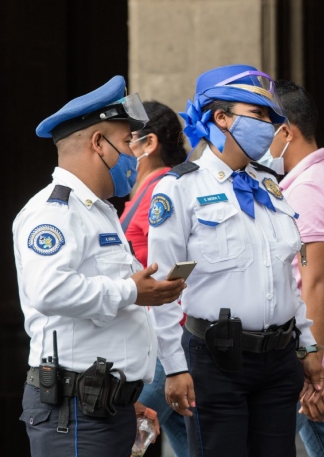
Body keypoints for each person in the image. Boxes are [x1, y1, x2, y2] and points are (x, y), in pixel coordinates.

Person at [148, 64, 324, 457]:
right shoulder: (180, 188)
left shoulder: (270, 184)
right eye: (259, 114)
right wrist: (175, 366)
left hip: (279, 358)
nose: (270, 125)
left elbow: (286, 274)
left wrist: (309, 346)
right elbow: (161, 290)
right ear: (221, 118)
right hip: (216, 361)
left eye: (271, 115)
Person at [12, 76, 186, 457]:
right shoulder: (55, 213)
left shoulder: (100, 211)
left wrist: (125, 400)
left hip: (102, 405)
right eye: (126, 143)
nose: (134, 155)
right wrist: (133, 291)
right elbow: (49, 290)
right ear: (98, 143)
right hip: (74, 412)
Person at [260, 80, 324, 456]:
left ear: (286, 131)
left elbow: (313, 283)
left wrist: (310, 362)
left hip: (312, 358)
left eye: (261, 123)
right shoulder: (314, 178)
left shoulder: (308, 190)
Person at [119, 100, 189, 457]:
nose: (118, 149)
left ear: (149, 144)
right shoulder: (143, 192)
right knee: (185, 436)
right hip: (153, 335)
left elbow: (177, 265)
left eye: (124, 138)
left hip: (163, 339)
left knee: (121, 432)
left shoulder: (160, 191)